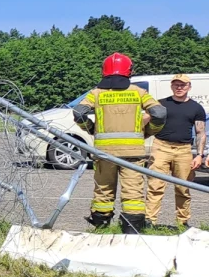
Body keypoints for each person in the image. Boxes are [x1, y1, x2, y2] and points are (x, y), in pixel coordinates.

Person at [72, 53, 166, 233]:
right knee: (133, 195)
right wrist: (148, 131)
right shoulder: (138, 92)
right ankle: (131, 233)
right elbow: (160, 114)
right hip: (133, 153)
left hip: (104, 152)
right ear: (129, 71)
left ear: (104, 71)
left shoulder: (96, 93)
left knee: (103, 192)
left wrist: (90, 128)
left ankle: (101, 230)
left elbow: (79, 113)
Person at [145, 74, 206, 228]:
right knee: (155, 185)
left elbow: (200, 132)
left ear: (189, 87)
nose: (179, 88)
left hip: (184, 150)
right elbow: (145, 120)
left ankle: (182, 223)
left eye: (183, 85)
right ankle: (149, 221)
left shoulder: (196, 108)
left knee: (183, 188)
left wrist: (199, 155)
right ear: (171, 86)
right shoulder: (161, 104)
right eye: (176, 85)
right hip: (161, 147)